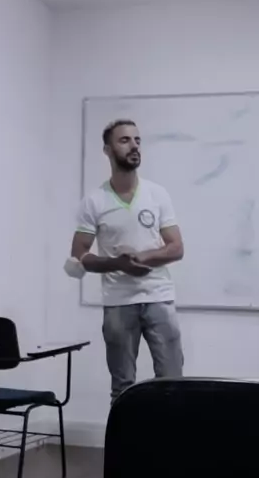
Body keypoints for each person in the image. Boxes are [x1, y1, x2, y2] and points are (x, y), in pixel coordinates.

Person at [66, 119, 184, 403]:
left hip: (159, 298)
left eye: (137, 140)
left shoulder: (157, 194)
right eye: (125, 140)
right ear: (107, 150)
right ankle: (125, 434)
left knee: (173, 383)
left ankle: (170, 434)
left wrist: (144, 257)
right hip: (118, 303)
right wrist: (118, 264)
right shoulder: (94, 201)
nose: (134, 146)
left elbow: (176, 248)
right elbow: (79, 256)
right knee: (122, 388)